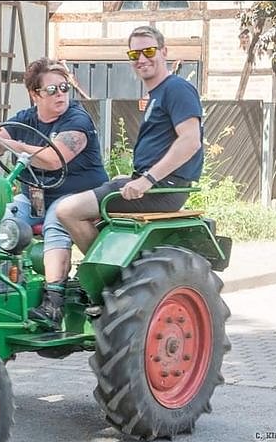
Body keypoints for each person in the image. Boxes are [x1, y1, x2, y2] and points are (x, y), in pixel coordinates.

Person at [56, 25, 204, 287]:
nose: (142, 59)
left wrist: (146, 180)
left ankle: (108, 282)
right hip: (152, 184)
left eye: (148, 51)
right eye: (135, 54)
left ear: (164, 52)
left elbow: (190, 141)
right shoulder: (157, 94)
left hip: (161, 189)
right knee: (87, 209)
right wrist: (134, 178)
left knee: (67, 210)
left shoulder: (177, 88)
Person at [0, 57, 108, 330]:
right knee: (4, 221)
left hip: (79, 196)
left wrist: (8, 143)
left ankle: (53, 301)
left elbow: (53, 159)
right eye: (52, 90)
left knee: (56, 221)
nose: (60, 94)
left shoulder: (77, 119)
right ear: (35, 94)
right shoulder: (26, 119)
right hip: (34, 196)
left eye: (64, 88)